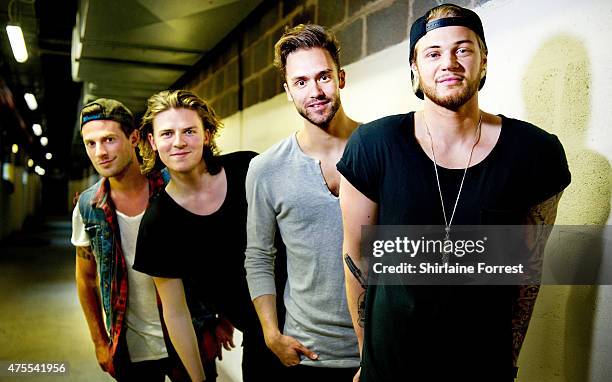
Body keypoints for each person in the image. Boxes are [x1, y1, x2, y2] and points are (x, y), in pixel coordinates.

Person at [337, 4, 571, 381]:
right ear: (414, 68)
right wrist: (367, 357)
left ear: (484, 61)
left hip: (481, 367)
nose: (449, 63)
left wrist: (508, 359)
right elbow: (357, 258)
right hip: (391, 368)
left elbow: (528, 272)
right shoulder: (374, 146)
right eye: (433, 53)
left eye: (463, 49)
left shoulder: (533, 153)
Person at [133, 89, 284, 382]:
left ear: (207, 134)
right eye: (166, 134)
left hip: (311, 317)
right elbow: (175, 313)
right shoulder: (157, 224)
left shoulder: (248, 169)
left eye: (189, 130)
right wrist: (198, 380)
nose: (178, 142)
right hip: (259, 337)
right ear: (152, 141)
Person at [244, 24, 360, 381]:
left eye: (323, 76)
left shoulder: (380, 149)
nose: (315, 91)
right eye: (301, 82)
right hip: (307, 355)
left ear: (340, 78)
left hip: (378, 347)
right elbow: (259, 255)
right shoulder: (266, 169)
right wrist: (270, 333)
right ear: (288, 91)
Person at [71, 98, 187, 381]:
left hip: (189, 335)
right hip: (130, 347)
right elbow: (86, 280)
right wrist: (100, 342)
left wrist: (219, 323)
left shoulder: (175, 189)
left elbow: (210, 257)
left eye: (109, 139)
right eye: (91, 143)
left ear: (134, 137)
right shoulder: (88, 207)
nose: (100, 152)